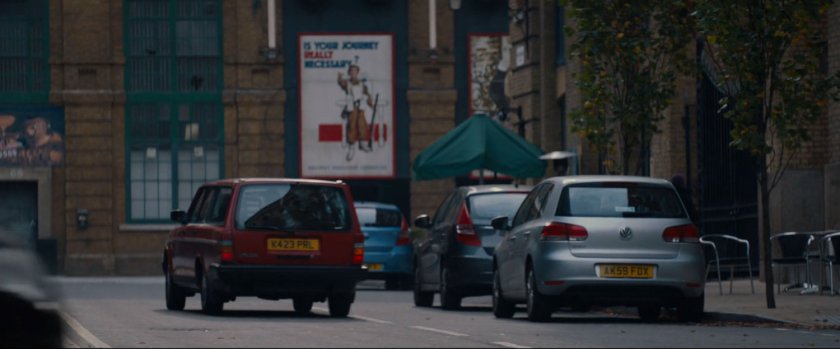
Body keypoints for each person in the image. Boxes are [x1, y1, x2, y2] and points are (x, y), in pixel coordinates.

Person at [337, 64, 374, 160]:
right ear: (349, 73)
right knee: (351, 127)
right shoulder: (347, 83)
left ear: (357, 72)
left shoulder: (362, 84)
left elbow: (367, 95)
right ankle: (351, 148)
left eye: (355, 71)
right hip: (351, 108)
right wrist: (340, 76)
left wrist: (371, 104)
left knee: (362, 125)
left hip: (360, 108)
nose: (353, 72)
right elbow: (341, 83)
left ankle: (362, 144)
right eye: (351, 71)